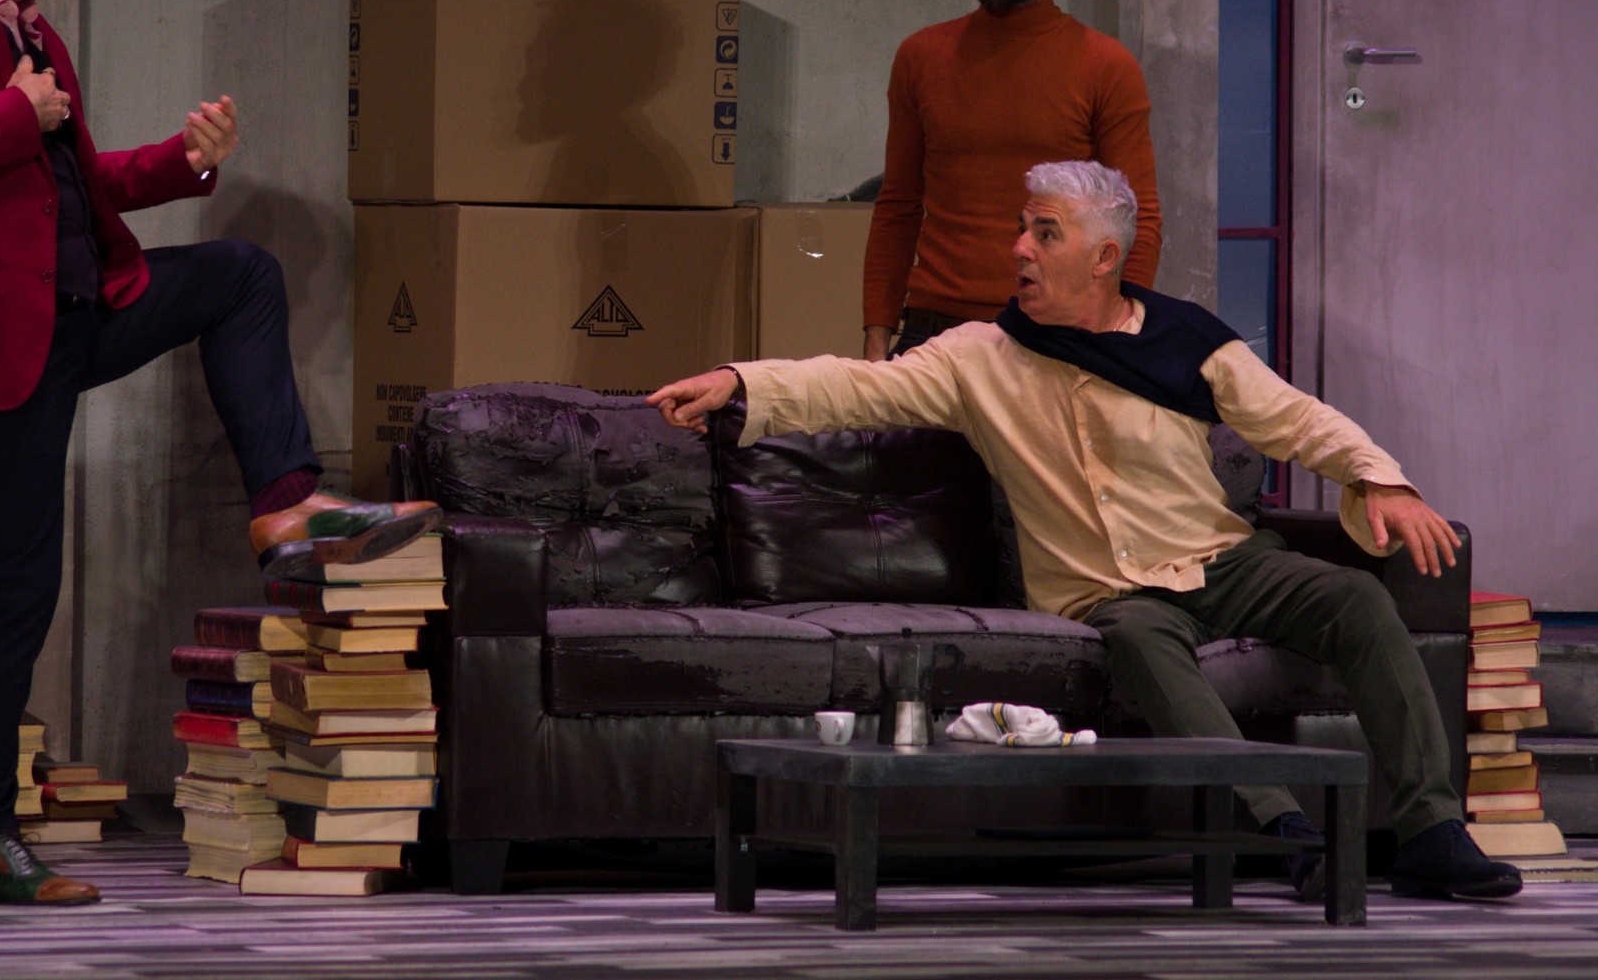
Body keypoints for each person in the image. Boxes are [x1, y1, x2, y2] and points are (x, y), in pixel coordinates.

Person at [652, 160, 1521, 902]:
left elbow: (1294, 418)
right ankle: (1281, 829)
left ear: (1104, 257)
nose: (1020, 250)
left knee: (1357, 598)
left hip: (1223, 558)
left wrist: (1380, 476)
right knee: (1141, 640)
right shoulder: (979, 357)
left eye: (1045, 233)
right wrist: (742, 380)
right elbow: (855, 385)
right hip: (1109, 591)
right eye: (1022, 230)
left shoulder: (1187, 339)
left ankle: (1431, 832)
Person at [0, 0, 436, 906]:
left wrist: (181, 161)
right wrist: (8, 111)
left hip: (74, 311)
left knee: (238, 274)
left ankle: (285, 506)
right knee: (17, 590)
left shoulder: (29, 30)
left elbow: (69, 184)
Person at [864, 0, 1164, 362]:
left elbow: (1139, 219)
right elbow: (898, 205)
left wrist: (1115, 338)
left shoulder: (1105, 66)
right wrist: (877, 338)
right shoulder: (922, 55)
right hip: (933, 331)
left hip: (1056, 332)